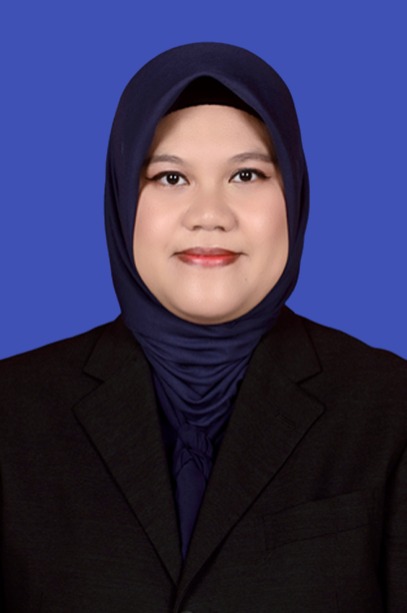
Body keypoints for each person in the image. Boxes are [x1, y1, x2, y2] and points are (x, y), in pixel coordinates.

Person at [0, 42, 406, 612]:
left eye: (246, 174)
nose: (210, 214)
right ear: (122, 197)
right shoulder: (12, 412)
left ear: (293, 193)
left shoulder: (390, 408)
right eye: (171, 177)